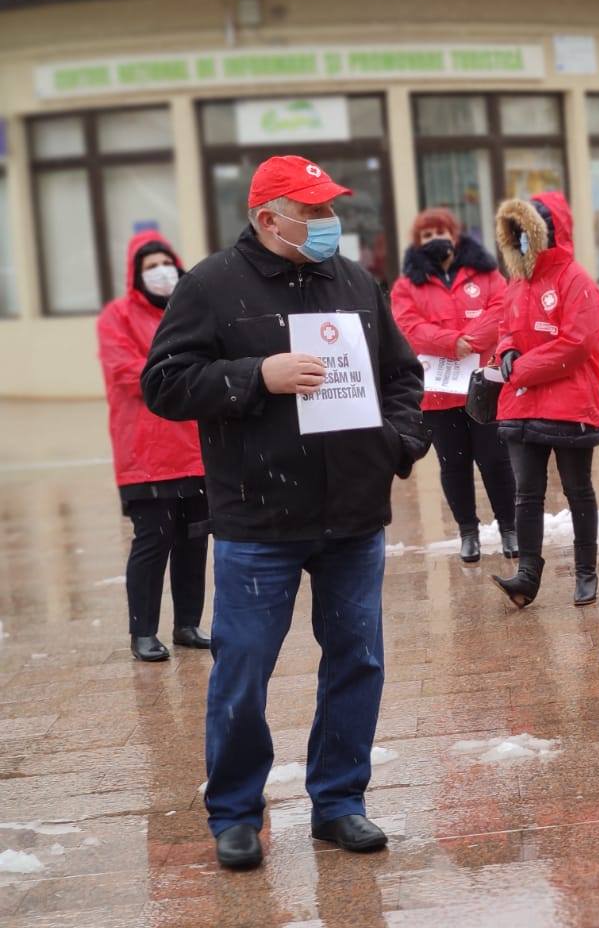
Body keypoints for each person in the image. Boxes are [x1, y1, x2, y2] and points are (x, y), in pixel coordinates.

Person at [142, 155, 429, 871]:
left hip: (354, 513)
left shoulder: (355, 281)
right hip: (258, 518)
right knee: (242, 670)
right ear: (268, 219)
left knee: (358, 661)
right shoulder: (210, 286)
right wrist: (254, 377)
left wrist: (397, 445)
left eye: (332, 208)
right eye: (313, 212)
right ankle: (236, 813)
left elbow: (403, 375)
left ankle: (339, 803)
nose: (331, 224)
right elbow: (164, 383)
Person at [490, 191, 599, 609]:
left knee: (578, 490)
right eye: (516, 233)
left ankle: (586, 572)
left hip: (570, 403)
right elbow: (506, 327)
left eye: (529, 231)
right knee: (526, 493)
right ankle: (527, 575)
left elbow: (577, 344)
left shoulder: (576, 281)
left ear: (549, 232)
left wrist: (521, 368)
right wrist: (505, 350)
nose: (523, 241)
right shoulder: (517, 282)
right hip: (522, 404)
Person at [97, 230, 209, 663]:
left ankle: (187, 624)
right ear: (135, 274)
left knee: (193, 541)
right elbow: (128, 373)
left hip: (196, 449)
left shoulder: (191, 308)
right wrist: (181, 375)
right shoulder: (117, 317)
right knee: (152, 542)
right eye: (149, 266)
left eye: (165, 261)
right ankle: (142, 631)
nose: (161, 272)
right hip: (145, 455)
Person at [390, 208, 516, 563]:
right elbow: (407, 327)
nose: (435, 240)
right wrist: (450, 341)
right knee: (455, 464)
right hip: (439, 393)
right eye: (427, 235)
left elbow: (502, 309)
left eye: (440, 232)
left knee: (495, 460)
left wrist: (471, 339)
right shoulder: (407, 286)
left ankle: (509, 528)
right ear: (418, 242)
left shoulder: (486, 273)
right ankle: (468, 532)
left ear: (455, 234)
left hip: (482, 384)